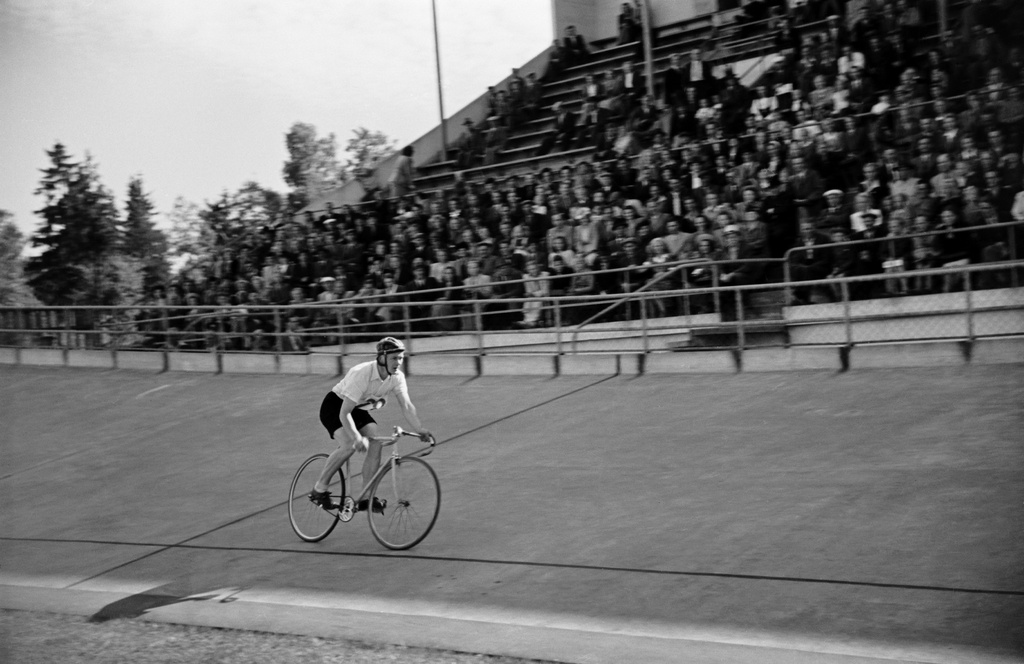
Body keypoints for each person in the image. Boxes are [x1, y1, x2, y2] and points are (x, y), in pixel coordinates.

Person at [309, 337, 431, 514]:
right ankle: (319, 490)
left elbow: (406, 405)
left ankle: (366, 497)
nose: (398, 362)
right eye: (394, 358)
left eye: (400, 358)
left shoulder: (397, 377)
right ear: (382, 358)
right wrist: (356, 438)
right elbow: (344, 413)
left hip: (357, 408)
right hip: (336, 407)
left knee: (375, 439)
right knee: (349, 444)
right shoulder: (362, 374)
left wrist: (419, 428)